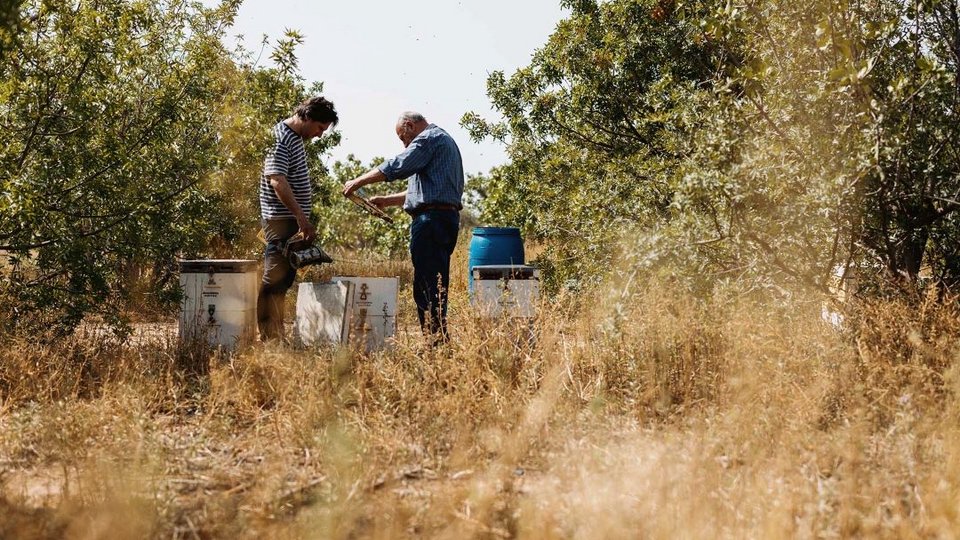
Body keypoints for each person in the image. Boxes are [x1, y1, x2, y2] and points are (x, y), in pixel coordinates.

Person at [342, 112, 464, 342]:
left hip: (430, 222)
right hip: (444, 220)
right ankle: (438, 339)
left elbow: (398, 166)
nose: (405, 143)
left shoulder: (428, 139)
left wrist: (358, 181)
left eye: (403, 138)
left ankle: (435, 342)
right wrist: (387, 200)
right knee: (436, 283)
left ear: (409, 125)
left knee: (427, 286)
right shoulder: (443, 140)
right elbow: (423, 191)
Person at [258, 96, 338, 341]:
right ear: (307, 117)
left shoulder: (293, 138)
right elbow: (277, 181)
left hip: (289, 222)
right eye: (319, 128)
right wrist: (301, 218)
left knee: (284, 280)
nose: (320, 134)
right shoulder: (282, 138)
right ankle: (270, 338)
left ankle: (275, 336)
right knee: (274, 279)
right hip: (281, 221)